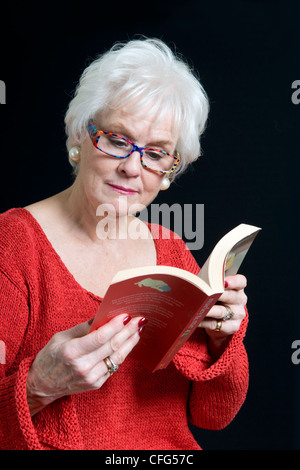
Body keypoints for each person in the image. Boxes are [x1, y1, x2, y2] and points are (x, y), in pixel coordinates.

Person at [0, 38, 248, 450]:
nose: (132, 167)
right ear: (81, 135)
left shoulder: (172, 251)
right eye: (117, 140)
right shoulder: (13, 246)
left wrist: (223, 338)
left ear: (170, 170)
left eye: (156, 154)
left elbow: (213, 415)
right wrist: (38, 386)